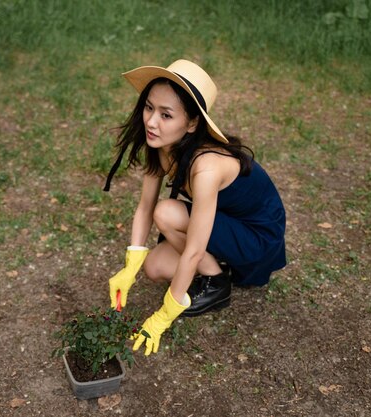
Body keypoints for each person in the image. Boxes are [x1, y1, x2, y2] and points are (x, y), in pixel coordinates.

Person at [103, 59, 286, 356]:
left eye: (166, 115)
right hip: (225, 224)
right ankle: (216, 269)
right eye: (149, 108)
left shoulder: (206, 169)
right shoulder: (162, 147)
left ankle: (215, 282)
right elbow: (144, 206)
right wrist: (131, 265)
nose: (151, 121)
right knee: (154, 267)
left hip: (257, 238)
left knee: (167, 212)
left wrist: (165, 314)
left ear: (191, 123)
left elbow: (193, 248)